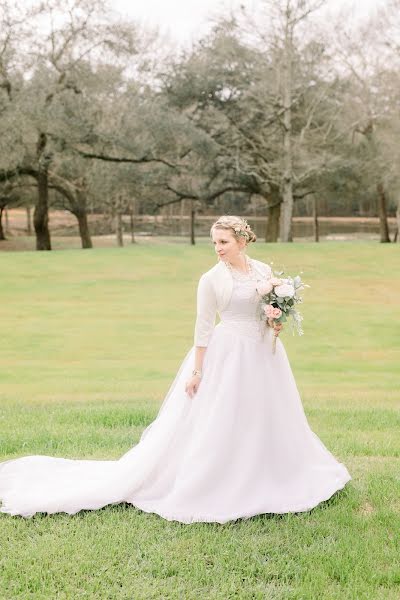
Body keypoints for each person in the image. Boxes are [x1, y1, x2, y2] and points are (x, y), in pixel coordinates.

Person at [0, 215, 351, 523]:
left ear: (242, 241)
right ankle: (223, 480)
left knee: (266, 413)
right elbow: (202, 328)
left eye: (224, 242)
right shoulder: (211, 279)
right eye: (215, 242)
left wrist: (275, 320)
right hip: (228, 352)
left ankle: (273, 472)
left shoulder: (263, 271)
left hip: (264, 353)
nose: (218, 248)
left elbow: (266, 308)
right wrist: (197, 371)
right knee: (224, 415)